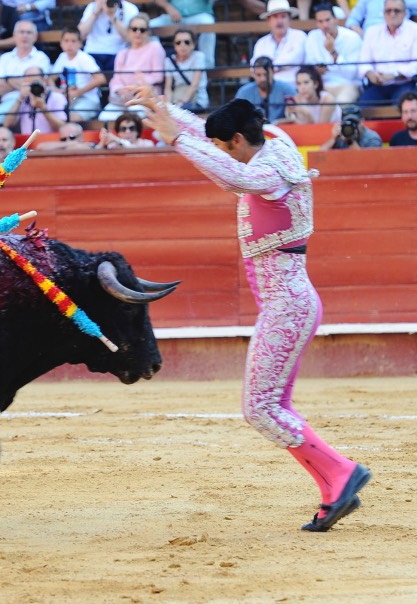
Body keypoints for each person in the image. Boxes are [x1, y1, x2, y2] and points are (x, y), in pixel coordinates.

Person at [139, 93, 372, 534]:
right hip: (290, 302)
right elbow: (215, 141)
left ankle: (342, 473)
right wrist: (170, 114)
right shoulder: (275, 143)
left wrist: (178, 141)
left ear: (238, 140)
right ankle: (334, 486)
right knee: (273, 405)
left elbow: (235, 176)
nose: (221, 152)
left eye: (224, 145)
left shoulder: (265, 173)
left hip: (286, 304)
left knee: (260, 408)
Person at [99, 13, 165, 121]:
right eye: (134, 29)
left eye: (142, 30)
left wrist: (135, 87)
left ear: (148, 32)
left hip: (145, 98)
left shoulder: (155, 47)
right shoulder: (122, 53)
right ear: (129, 31)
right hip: (122, 100)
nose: (138, 32)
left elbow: (158, 76)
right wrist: (120, 90)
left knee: (134, 116)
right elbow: (116, 79)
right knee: (104, 118)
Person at [357, 0, 417, 106]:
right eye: (388, 11)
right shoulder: (372, 32)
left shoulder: (416, 31)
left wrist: (393, 75)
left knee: (402, 107)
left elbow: (416, 64)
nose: (392, 14)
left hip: (405, 84)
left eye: (397, 11)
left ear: (405, 13)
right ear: (383, 13)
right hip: (378, 84)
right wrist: (370, 73)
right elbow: (363, 62)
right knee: (363, 108)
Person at [304, 2, 363, 105]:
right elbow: (309, 66)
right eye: (320, 21)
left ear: (336, 19)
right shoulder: (312, 37)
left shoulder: (352, 38)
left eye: (328, 20)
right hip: (322, 85)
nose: (325, 25)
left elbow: (352, 75)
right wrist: (316, 71)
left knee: (340, 104)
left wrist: (333, 52)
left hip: (347, 84)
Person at [78, 0, 139, 73]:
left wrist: (112, 16)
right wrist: (95, 13)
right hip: (93, 52)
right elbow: (80, 35)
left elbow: (130, 38)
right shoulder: (92, 7)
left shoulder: (130, 8)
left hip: (119, 52)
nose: (106, 1)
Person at [51, 28, 105, 122]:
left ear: (80, 43)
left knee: (70, 118)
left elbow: (101, 78)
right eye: (66, 41)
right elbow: (50, 78)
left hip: (87, 99)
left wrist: (78, 92)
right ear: (61, 43)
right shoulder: (62, 57)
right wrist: (57, 90)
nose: (69, 44)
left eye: (73, 41)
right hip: (66, 98)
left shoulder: (84, 58)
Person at [251, 0, 307, 87]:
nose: (279, 21)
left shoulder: (299, 36)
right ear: (269, 21)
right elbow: (254, 67)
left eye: (283, 16)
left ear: (289, 19)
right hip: (268, 88)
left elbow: (293, 58)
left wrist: (268, 67)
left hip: (293, 87)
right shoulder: (261, 43)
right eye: (275, 17)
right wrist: (275, 67)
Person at [0, 20, 52, 98]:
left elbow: (40, 86)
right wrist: (27, 84)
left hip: (33, 101)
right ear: (14, 35)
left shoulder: (41, 58)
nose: (25, 36)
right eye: (21, 32)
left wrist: (8, 79)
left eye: (29, 32)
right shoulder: (5, 58)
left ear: (35, 37)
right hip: (8, 102)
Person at [2, 66, 67, 134]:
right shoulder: (22, 99)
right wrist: (19, 99)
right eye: (29, 84)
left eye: (35, 83)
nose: (33, 88)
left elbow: (62, 128)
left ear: (44, 80)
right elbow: (7, 124)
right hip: (28, 140)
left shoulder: (56, 97)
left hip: (50, 139)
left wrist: (43, 108)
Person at [235, 56, 297, 122]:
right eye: (258, 75)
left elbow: (298, 114)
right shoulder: (244, 93)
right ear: (253, 74)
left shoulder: (286, 89)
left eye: (266, 74)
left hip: (279, 127)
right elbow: (235, 116)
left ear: (273, 72)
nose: (263, 79)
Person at [163, 28, 209, 113]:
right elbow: (168, 88)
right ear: (174, 45)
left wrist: (180, 104)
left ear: (193, 45)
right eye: (178, 42)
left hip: (197, 101)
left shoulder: (199, 57)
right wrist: (169, 106)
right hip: (177, 99)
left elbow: (194, 85)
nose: (182, 45)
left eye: (187, 42)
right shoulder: (169, 61)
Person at [318, 103, 382, 149]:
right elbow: (320, 156)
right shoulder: (341, 135)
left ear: (362, 122)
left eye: (355, 122)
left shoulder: (372, 138)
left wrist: (350, 142)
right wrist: (333, 139)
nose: (351, 126)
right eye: (348, 122)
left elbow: (367, 160)